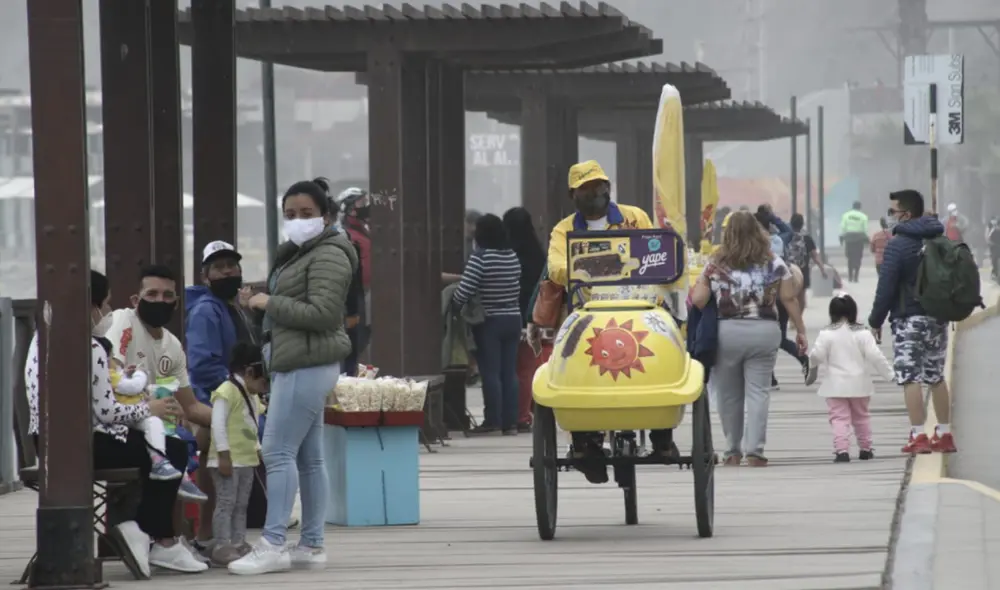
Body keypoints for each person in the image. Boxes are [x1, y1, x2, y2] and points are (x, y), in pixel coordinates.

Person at [25, 270, 207, 575]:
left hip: (45, 444)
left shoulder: (41, 338)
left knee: (156, 448)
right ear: (92, 306)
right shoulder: (93, 348)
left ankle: (151, 535)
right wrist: (150, 408)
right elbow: (108, 412)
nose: (108, 312)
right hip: (84, 446)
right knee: (171, 450)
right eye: (105, 304)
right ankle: (155, 538)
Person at [229, 178, 357, 575]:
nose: (297, 221)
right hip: (302, 362)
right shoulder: (304, 253)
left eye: (306, 214)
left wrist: (270, 301)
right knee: (308, 458)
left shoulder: (329, 254)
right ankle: (311, 545)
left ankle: (272, 543)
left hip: (304, 363)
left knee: (277, 451)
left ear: (327, 216)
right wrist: (260, 303)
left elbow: (323, 313)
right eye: (290, 215)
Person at [546, 159, 677, 481]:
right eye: (586, 188)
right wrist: (596, 266)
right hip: (589, 310)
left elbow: (654, 250)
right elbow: (555, 267)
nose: (595, 192)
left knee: (668, 346)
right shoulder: (564, 230)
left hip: (640, 305)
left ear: (608, 187)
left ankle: (662, 433)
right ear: (573, 194)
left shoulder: (635, 217)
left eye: (599, 185)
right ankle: (584, 442)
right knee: (569, 359)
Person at [690, 211, 807, 467]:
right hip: (764, 332)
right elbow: (789, 298)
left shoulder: (715, 263)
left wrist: (703, 284)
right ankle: (755, 451)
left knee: (728, 395)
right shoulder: (774, 262)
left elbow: (698, 300)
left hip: (727, 333)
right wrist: (800, 331)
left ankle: (732, 450)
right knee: (759, 392)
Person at [104, 265, 211, 504]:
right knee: (176, 449)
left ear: (176, 301)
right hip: (119, 423)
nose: (159, 301)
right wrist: (149, 404)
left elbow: (191, 407)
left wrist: (233, 418)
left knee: (207, 437)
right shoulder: (124, 320)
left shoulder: (173, 346)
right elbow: (111, 370)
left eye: (167, 295)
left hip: (155, 424)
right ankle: (164, 536)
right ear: (136, 299)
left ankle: (201, 532)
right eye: (151, 294)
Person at [868, 189, 956, 455]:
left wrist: (875, 321)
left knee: (910, 377)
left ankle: (918, 436)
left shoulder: (898, 244)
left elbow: (886, 288)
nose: (890, 216)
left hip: (909, 319)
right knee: (936, 376)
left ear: (905, 214)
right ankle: (945, 433)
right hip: (938, 317)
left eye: (892, 211)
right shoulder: (938, 238)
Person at [185, 240, 257, 554]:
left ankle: (227, 539)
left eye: (232, 265)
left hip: (235, 401)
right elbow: (201, 365)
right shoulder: (205, 310)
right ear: (205, 276)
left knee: (231, 483)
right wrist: (240, 389)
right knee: (216, 475)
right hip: (215, 404)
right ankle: (208, 538)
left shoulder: (231, 307)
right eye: (219, 267)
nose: (228, 271)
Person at [453, 213, 522, 435]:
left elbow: (464, 290)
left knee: (490, 373)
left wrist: (454, 306)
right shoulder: (511, 255)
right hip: (513, 318)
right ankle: (510, 422)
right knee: (509, 372)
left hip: (490, 321)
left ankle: (492, 421)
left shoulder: (480, 258)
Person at [806, 294, 894, 463]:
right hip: (860, 385)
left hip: (835, 386)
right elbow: (876, 356)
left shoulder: (827, 334)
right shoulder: (863, 334)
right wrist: (889, 374)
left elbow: (816, 355)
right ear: (854, 311)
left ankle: (842, 451)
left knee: (839, 418)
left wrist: (812, 367)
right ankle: (866, 448)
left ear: (832, 312)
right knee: (862, 416)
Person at [206, 342, 266, 566]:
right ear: (249, 372)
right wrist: (223, 453)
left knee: (242, 504)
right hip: (228, 458)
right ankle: (222, 544)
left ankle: (239, 542)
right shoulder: (226, 391)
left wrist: (257, 448)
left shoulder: (253, 396)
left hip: (246, 458)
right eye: (262, 381)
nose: (263, 387)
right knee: (226, 502)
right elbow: (217, 424)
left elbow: (252, 424)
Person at [503, 206, 546, 433]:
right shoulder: (538, 253)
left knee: (512, 368)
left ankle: (516, 414)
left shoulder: (510, 254)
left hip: (511, 314)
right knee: (527, 368)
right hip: (534, 316)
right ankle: (525, 413)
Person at [785, 214, 826, 311]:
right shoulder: (807, 238)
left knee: (789, 296)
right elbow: (815, 256)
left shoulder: (786, 237)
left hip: (788, 270)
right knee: (801, 297)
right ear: (802, 224)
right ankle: (798, 317)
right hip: (803, 270)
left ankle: (792, 318)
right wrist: (822, 269)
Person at [840, 201, 869, 283]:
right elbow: (865, 229)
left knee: (849, 257)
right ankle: (856, 276)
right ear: (860, 207)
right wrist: (866, 239)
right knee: (858, 257)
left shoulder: (846, 215)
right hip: (859, 238)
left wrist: (842, 237)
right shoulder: (863, 216)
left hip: (849, 238)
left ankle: (850, 276)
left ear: (852, 207)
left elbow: (843, 227)